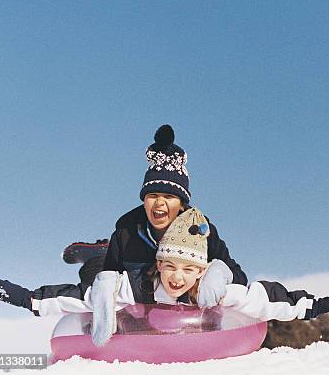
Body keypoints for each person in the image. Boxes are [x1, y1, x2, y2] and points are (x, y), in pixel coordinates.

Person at [0, 207, 329, 346]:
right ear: (158, 265)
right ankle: (98, 253)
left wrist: (312, 306)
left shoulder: (212, 289)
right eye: (170, 267)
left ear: (202, 270)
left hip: (189, 257)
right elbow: (77, 297)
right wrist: (28, 298)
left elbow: (266, 298)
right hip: (112, 266)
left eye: (189, 271)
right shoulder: (139, 284)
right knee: (96, 282)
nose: (178, 278)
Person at [67, 124, 247, 308]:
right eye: (152, 196)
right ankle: (97, 255)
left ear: (181, 204)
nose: (159, 203)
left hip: (175, 299)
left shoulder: (201, 230)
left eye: (169, 197)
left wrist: (217, 273)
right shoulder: (126, 231)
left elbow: (239, 276)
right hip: (141, 290)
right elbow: (110, 282)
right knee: (95, 283)